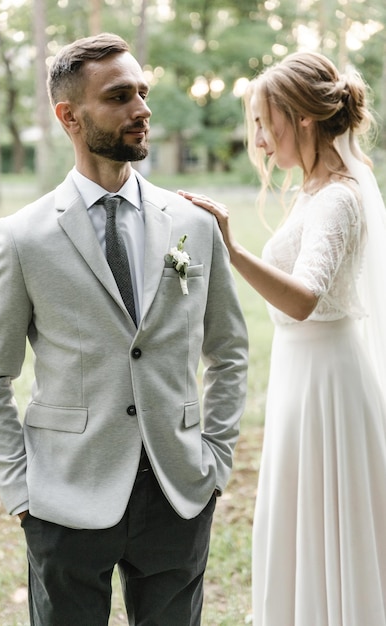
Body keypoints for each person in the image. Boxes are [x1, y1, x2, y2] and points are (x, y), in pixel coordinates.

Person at [0, 33, 248, 625]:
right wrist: (22, 494)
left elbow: (230, 350)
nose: (142, 109)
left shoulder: (194, 224)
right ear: (69, 116)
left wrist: (216, 459)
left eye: (142, 92)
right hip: (64, 495)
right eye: (120, 96)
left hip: (179, 489)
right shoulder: (25, 236)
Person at [179, 51, 386, 625]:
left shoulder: (339, 197)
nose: (262, 142)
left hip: (329, 386)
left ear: (302, 118)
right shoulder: (314, 189)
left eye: (265, 123)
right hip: (302, 377)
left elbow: (304, 296)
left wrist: (232, 245)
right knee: (304, 520)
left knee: (329, 522)